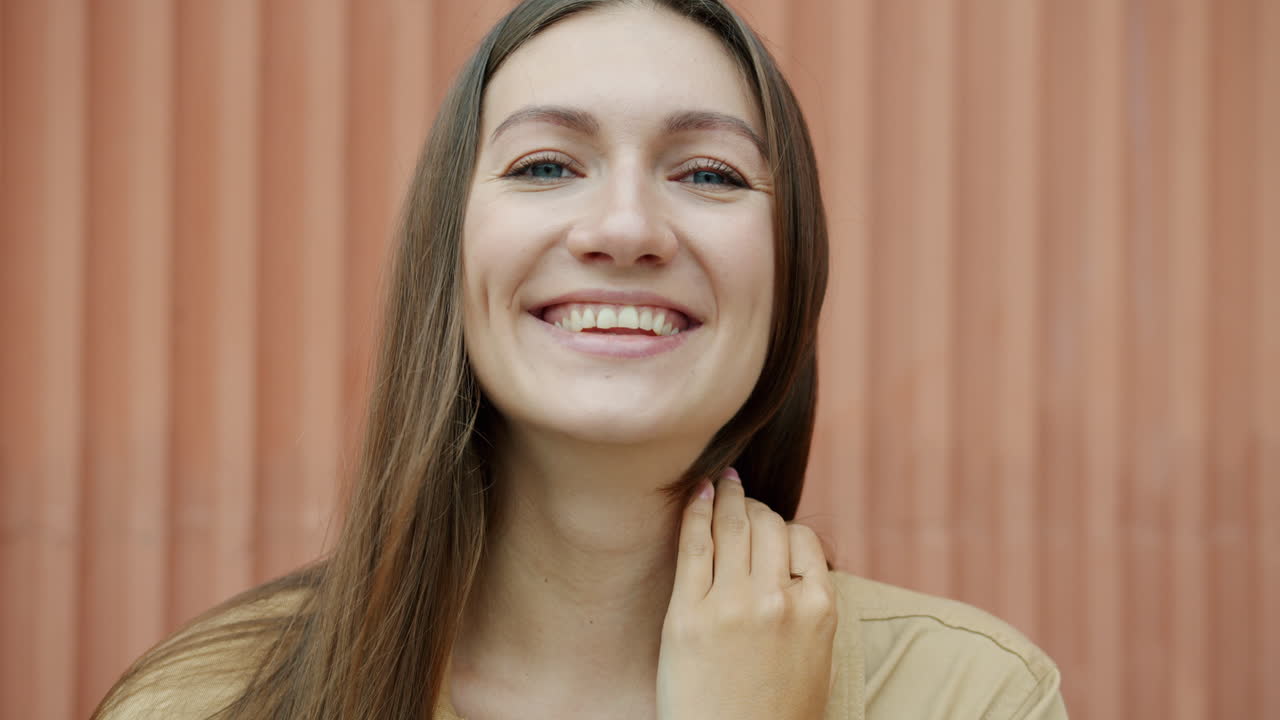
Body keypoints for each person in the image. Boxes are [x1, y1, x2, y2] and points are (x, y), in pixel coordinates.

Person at [95, 1, 1068, 718]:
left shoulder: (967, 696)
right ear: (452, 249)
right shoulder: (204, 701)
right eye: (546, 165)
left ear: (789, 272)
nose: (625, 227)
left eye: (707, 173)